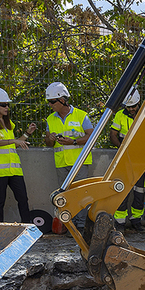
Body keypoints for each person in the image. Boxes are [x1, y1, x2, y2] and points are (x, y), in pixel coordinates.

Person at [0, 87, 36, 223]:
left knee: (23, 198)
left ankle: (27, 227)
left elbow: (14, 144)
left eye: (8, 105)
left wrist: (27, 133)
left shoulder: (8, 123)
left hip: (14, 169)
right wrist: (13, 140)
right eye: (3, 105)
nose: (7, 107)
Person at [43, 82, 91, 231]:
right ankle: (72, 225)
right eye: (48, 102)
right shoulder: (50, 119)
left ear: (62, 100)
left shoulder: (81, 116)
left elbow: (92, 136)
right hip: (62, 163)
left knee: (81, 194)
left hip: (79, 163)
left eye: (52, 102)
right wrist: (49, 139)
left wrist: (74, 141)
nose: (50, 105)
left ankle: (82, 225)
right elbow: (48, 143)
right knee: (66, 196)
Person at [110, 87, 145, 232]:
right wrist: (121, 149)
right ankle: (120, 222)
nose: (131, 109)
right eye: (129, 107)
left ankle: (136, 221)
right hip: (124, 159)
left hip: (141, 159)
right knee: (122, 190)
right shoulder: (120, 115)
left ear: (138, 103)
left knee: (140, 190)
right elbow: (113, 134)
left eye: (133, 106)